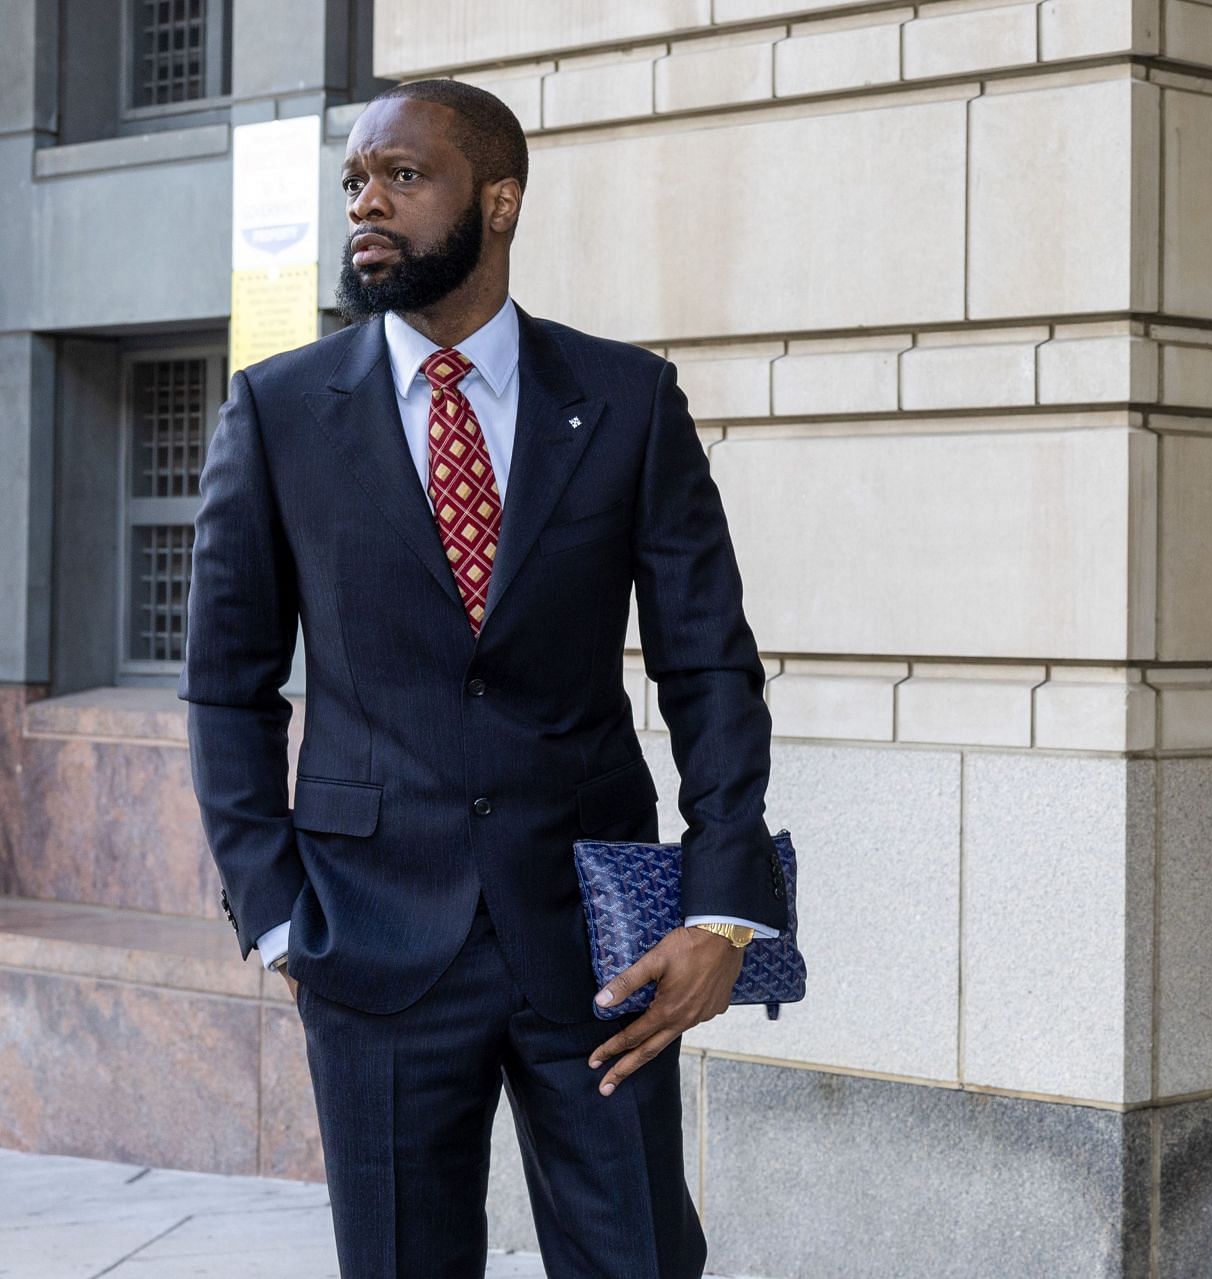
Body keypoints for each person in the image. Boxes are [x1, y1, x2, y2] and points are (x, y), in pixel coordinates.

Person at [177, 78, 788, 1278]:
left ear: (498, 201)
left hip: (599, 945)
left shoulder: (624, 399)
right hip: (369, 936)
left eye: (403, 176)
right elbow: (225, 685)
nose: (369, 203)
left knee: (639, 1257)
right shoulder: (280, 411)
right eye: (356, 180)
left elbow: (709, 663)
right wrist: (276, 912)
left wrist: (722, 907)